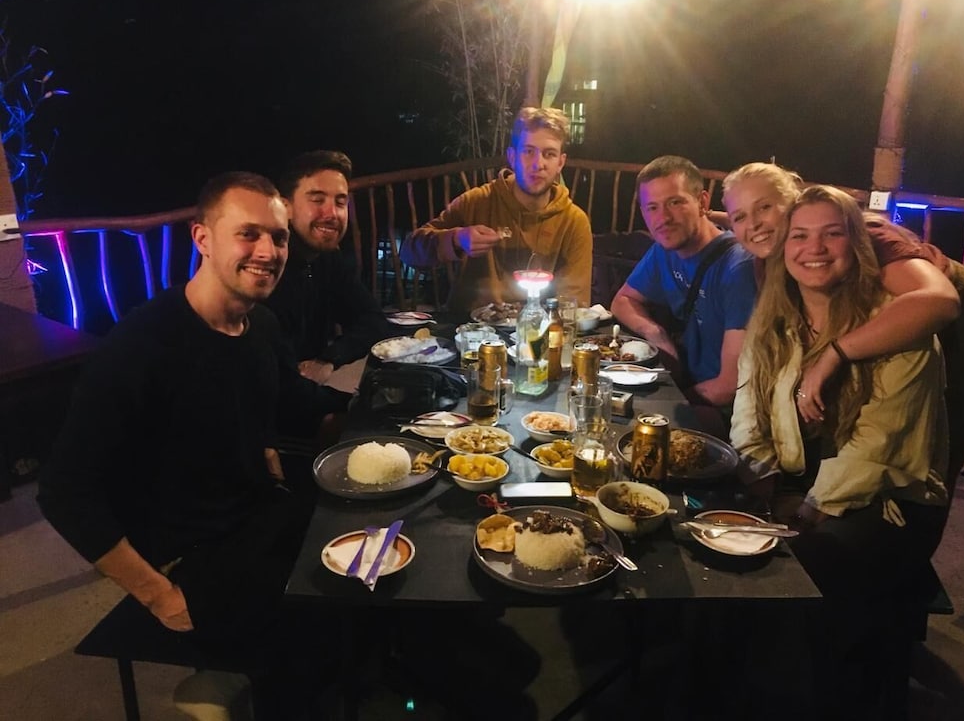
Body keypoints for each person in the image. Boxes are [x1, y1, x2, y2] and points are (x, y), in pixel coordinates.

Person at [37, 172, 343, 719]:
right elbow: (63, 492)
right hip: (187, 558)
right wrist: (160, 596)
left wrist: (381, 411)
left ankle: (232, 678)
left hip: (256, 518)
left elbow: (289, 400)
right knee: (315, 624)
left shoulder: (261, 325)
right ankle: (241, 681)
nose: (268, 252)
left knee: (361, 555)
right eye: (248, 234)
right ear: (202, 237)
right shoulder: (140, 345)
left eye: (278, 237)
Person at [730, 185, 949, 717]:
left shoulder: (898, 328)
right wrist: (759, 484)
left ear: (857, 245)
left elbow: (876, 450)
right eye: (800, 236)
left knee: (804, 571)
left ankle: (820, 698)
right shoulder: (777, 317)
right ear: (784, 249)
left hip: (886, 503)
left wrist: (802, 514)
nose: (815, 248)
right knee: (708, 536)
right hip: (798, 486)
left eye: (833, 234)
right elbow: (748, 410)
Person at [723, 161, 964, 485]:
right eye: (739, 217)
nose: (754, 224)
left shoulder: (868, 237)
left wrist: (833, 354)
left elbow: (941, 300)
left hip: (953, 312)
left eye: (765, 207)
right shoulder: (769, 262)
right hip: (882, 313)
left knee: (934, 437)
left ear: (794, 201)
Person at [399, 106, 593, 315]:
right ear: (512, 157)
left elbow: (573, 303)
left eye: (549, 154)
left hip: (540, 331)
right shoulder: (476, 202)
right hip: (468, 328)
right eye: (528, 151)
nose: (538, 164)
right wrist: (456, 239)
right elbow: (409, 252)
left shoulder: (574, 221)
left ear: (561, 163)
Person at [610, 155, 756, 421]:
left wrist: (668, 402)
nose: (663, 218)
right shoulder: (665, 249)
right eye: (652, 207)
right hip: (688, 383)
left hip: (726, 411)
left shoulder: (738, 267)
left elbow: (729, 386)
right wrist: (657, 334)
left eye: (675, 203)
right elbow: (623, 301)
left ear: (702, 202)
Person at [268, 149, 390, 387]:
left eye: (340, 202)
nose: (332, 213)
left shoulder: (327, 258)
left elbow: (372, 320)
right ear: (285, 207)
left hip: (305, 392)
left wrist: (329, 358)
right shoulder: (268, 265)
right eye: (317, 200)